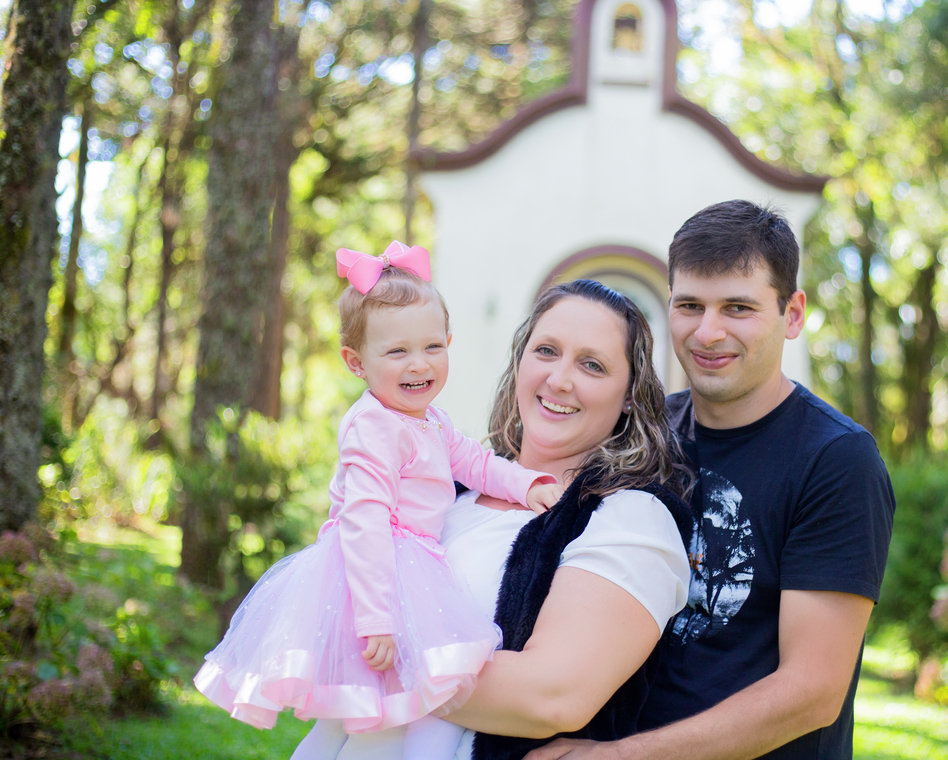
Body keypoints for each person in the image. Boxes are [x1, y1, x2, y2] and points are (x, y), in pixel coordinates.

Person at [527, 201, 896, 760]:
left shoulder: (836, 459)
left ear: (792, 314)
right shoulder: (638, 434)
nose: (708, 331)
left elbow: (813, 691)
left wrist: (621, 758)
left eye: (738, 308)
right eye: (690, 305)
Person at [291, 278, 694, 760]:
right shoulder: (450, 488)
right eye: (546, 350)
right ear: (520, 362)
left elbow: (552, 695)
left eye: (592, 364)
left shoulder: (631, 516)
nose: (560, 379)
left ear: (630, 394)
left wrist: (362, 658)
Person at [194, 240, 564, 753]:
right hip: (375, 573)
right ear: (355, 362)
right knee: (377, 712)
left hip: (408, 563)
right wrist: (376, 618)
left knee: (401, 713)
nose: (419, 364)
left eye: (433, 347)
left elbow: (474, 463)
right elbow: (363, 521)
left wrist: (526, 484)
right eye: (397, 352)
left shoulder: (429, 419)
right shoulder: (372, 426)